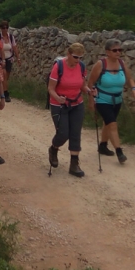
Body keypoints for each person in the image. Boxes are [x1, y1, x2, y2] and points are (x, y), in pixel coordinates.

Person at [88, 38, 135, 164]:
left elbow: (129, 78)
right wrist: (91, 100)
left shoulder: (122, 64)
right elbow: (90, 83)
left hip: (117, 100)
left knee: (108, 123)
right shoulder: (100, 64)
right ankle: (119, 152)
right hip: (102, 100)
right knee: (112, 124)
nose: (118, 52)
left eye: (120, 50)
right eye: (115, 50)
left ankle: (103, 146)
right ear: (107, 52)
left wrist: (133, 88)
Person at [47, 43, 93, 178]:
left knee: (75, 133)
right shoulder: (59, 66)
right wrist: (58, 98)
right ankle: (53, 149)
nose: (78, 60)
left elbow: (82, 86)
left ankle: (74, 164)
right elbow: (50, 88)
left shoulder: (81, 67)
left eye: (80, 57)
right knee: (63, 133)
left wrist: (89, 91)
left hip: (77, 103)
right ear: (68, 54)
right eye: (75, 57)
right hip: (59, 104)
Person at [0, 20, 20, 102]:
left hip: (9, 59)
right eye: (3, 28)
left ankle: (0, 89)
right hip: (0, 59)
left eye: (6, 27)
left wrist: (18, 58)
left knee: (6, 77)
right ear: (0, 28)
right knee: (4, 75)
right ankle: (6, 94)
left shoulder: (11, 37)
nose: (5, 29)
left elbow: (14, 47)